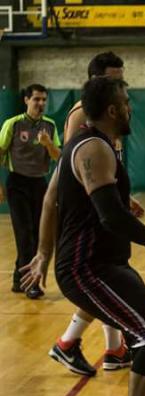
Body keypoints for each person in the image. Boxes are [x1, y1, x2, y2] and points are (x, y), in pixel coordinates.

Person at [20, 77, 145, 396]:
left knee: (144, 335)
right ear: (113, 110)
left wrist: (43, 253)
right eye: (126, 102)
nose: (131, 108)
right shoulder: (93, 148)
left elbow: (83, 201)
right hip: (86, 269)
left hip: (106, 263)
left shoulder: (96, 144)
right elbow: (111, 217)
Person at [48, 52, 139, 378]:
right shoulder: (82, 114)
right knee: (103, 276)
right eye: (113, 79)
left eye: (121, 79)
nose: (120, 85)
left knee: (108, 276)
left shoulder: (113, 113)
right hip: (85, 214)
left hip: (101, 204)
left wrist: (120, 195)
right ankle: (69, 342)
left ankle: (113, 349)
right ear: (94, 80)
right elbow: (71, 167)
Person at [0, 83, 61, 299]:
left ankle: (19, 280)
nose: (40, 103)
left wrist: (47, 144)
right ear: (26, 100)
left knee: (38, 234)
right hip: (17, 184)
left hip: (39, 184)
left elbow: (58, 156)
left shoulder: (50, 126)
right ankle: (31, 284)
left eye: (44, 99)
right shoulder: (13, 124)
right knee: (24, 234)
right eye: (36, 99)